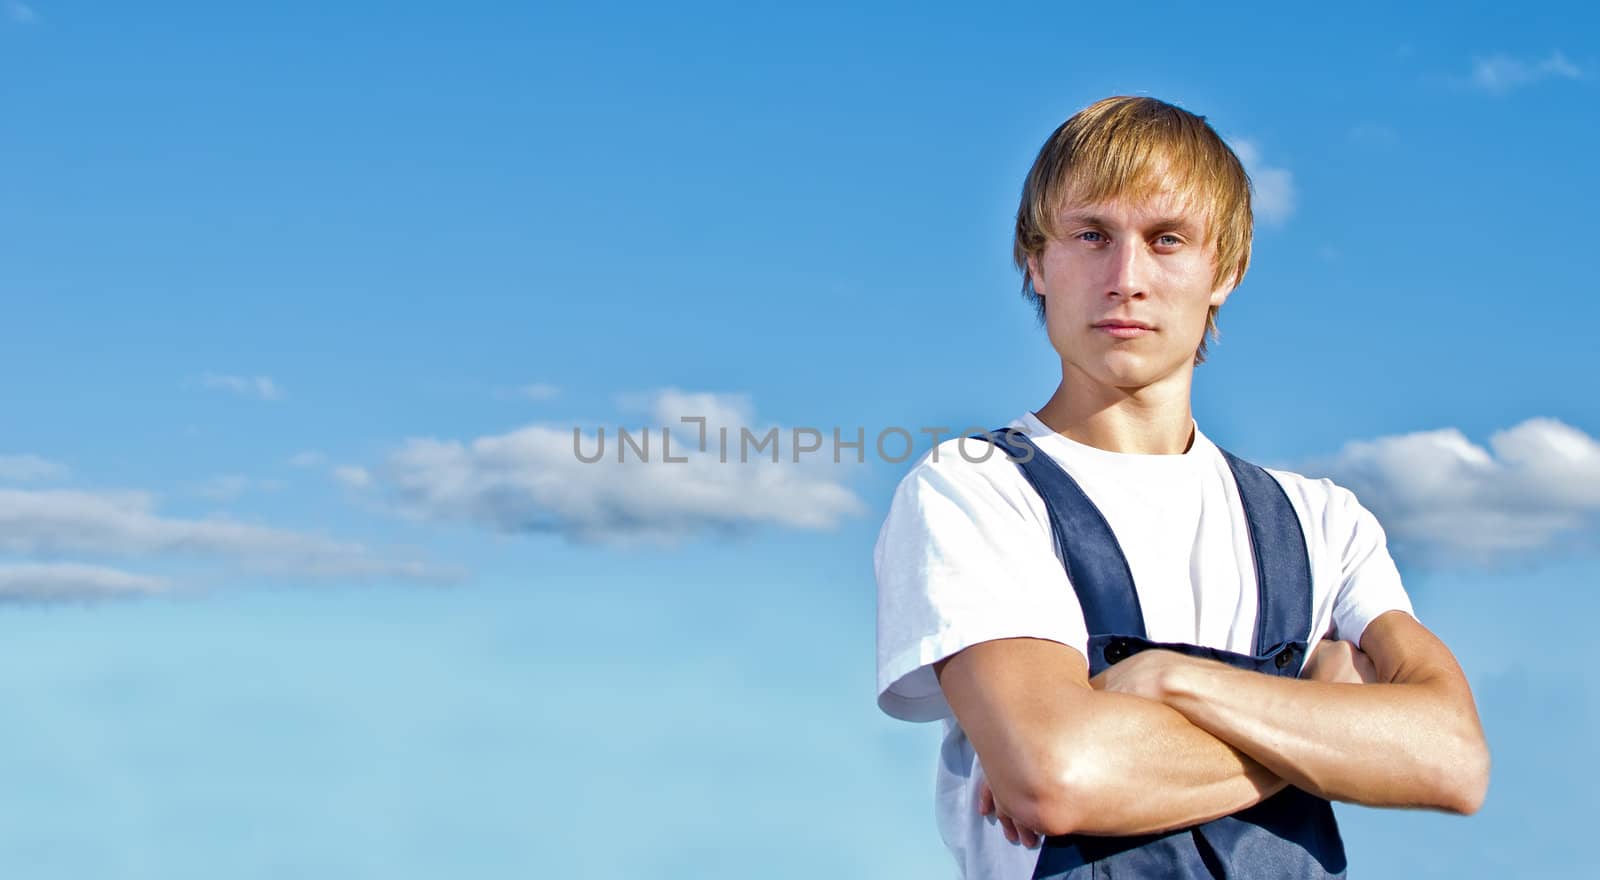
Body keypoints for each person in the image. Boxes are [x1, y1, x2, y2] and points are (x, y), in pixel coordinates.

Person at [872, 95, 1490, 880]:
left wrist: (1167, 678)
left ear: (1224, 270)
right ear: (1036, 260)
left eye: (1168, 240)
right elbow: (1055, 777)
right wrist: (1329, 729)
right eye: (1091, 236)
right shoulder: (976, 489)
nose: (1126, 279)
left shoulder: (1322, 520)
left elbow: (1452, 759)